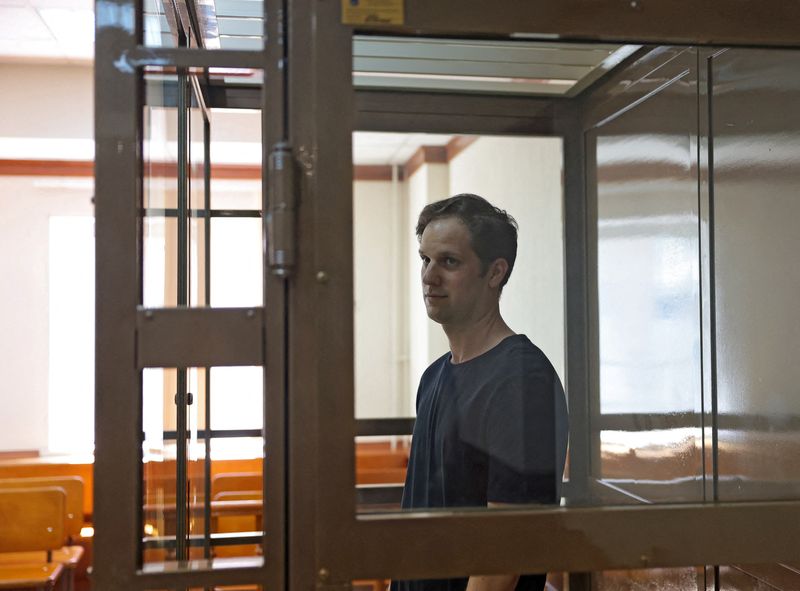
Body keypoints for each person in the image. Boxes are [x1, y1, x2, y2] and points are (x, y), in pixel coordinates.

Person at [392, 194, 569, 591]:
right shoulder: (434, 376)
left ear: (494, 273)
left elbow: (503, 555)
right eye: (425, 259)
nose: (429, 276)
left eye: (449, 262)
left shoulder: (523, 381)